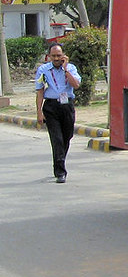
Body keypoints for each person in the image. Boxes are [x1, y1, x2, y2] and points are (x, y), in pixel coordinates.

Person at [35, 43, 81, 183]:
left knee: (67, 137)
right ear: (48, 56)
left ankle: (58, 162)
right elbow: (40, 90)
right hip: (51, 106)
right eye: (53, 56)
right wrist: (39, 112)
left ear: (63, 56)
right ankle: (61, 172)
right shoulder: (43, 70)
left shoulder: (70, 68)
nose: (56, 58)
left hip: (66, 105)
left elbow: (76, 85)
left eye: (59, 56)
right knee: (57, 139)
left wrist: (65, 69)